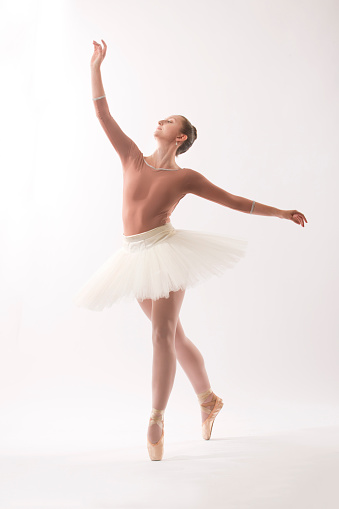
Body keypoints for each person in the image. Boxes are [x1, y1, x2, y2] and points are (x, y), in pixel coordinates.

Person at [73, 39, 308, 461]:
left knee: (162, 334)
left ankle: (156, 418)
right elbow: (102, 113)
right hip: (132, 257)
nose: (160, 120)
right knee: (176, 336)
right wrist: (95, 66)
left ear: (179, 137)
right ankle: (208, 399)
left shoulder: (186, 178)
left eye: (169, 121)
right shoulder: (131, 157)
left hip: (165, 255)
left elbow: (235, 201)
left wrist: (280, 212)